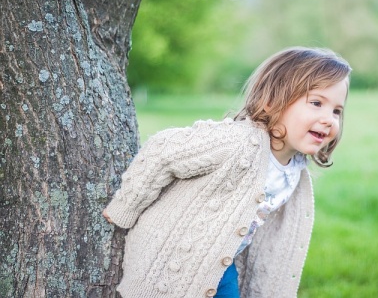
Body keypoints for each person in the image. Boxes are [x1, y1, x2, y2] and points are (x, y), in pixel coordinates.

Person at [102, 46, 352, 298]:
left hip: (221, 268)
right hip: (171, 261)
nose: (329, 119)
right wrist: (126, 207)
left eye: (336, 111)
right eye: (317, 103)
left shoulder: (295, 169)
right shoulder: (238, 141)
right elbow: (162, 149)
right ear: (273, 101)